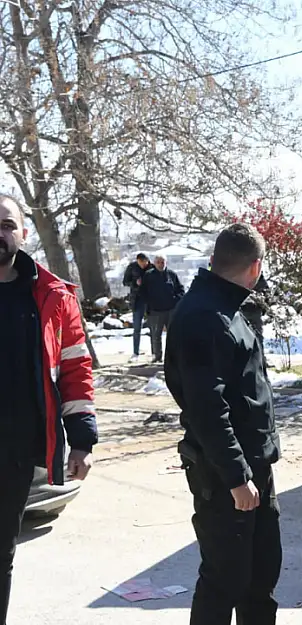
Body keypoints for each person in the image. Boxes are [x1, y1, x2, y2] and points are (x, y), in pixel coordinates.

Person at [164, 224, 281, 625]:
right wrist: (235, 476)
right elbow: (205, 407)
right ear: (256, 266)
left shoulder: (230, 306)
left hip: (255, 470)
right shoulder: (203, 316)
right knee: (224, 582)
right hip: (226, 476)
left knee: (259, 580)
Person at [0, 194, 96, 625]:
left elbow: (75, 369)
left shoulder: (52, 296)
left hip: (15, 453)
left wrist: (82, 441)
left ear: (22, 232)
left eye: (6, 225)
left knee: (1, 555)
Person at [141, 255, 185, 363]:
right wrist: (149, 305)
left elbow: (181, 290)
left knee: (173, 336)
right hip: (156, 311)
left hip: (171, 310)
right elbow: (143, 292)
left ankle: (173, 357)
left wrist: (175, 300)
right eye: (158, 262)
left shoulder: (171, 275)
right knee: (156, 336)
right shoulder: (148, 275)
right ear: (154, 263)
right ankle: (157, 356)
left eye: (162, 262)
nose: (161, 264)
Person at [122, 252, 151, 362]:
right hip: (137, 300)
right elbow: (125, 282)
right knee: (137, 328)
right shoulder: (132, 267)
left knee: (153, 328)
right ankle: (135, 352)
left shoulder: (151, 268)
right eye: (140, 263)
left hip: (150, 300)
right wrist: (135, 282)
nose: (142, 265)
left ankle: (155, 352)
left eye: (144, 263)